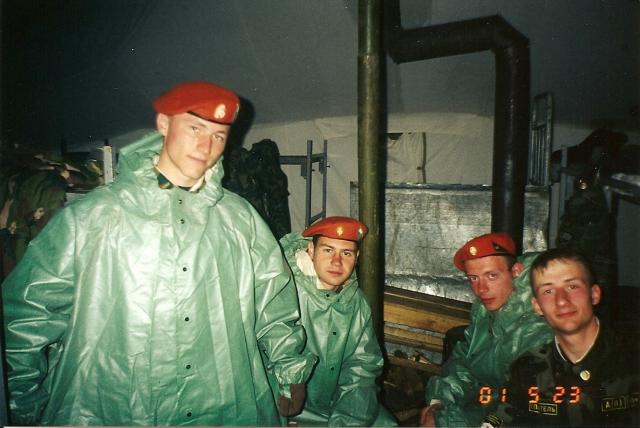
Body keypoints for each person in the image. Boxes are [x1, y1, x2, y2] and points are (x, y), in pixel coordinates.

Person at [1, 81, 317, 426]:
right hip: (114, 406)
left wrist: (290, 369)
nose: (206, 146)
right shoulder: (92, 218)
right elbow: (29, 313)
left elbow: (275, 300)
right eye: (195, 128)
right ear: (164, 124)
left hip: (224, 405)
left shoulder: (240, 219)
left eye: (218, 135)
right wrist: (21, 400)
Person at [482, 248, 640, 427]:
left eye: (572, 286)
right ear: (537, 306)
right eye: (548, 291)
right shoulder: (526, 370)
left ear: (594, 294)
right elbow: (501, 417)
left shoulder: (632, 358)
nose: (562, 300)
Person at [420, 232, 554, 427]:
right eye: (473, 278)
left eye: (492, 276)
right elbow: (464, 361)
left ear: (516, 271)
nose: (481, 289)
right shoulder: (484, 312)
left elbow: (514, 407)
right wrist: (439, 402)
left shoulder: (538, 325)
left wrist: (445, 421)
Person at [279, 216, 397, 426]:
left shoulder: (357, 303)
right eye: (328, 250)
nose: (337, 261)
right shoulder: (284, 289)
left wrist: (347, 419)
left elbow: (362, 367)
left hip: (334, 405)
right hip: (286, 405)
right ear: (311, 250)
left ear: (357, 257)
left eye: (346, 253)